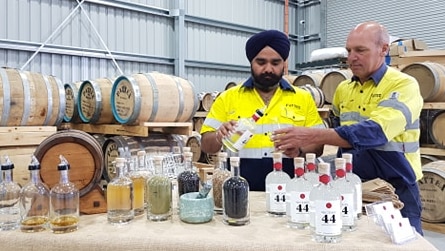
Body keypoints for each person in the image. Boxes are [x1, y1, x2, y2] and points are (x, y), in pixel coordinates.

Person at [273, 21, 424, 235]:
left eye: (360, 50)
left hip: (398, 186)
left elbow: (375, 132)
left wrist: (308, 134)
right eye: (349, 51)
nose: (352, 57)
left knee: (404, 244)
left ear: (383, 49)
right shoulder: (343, 89)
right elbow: (335, 135)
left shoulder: (403, 85)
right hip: (352, 185)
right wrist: (300, 150)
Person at [199, 29, 325, 191]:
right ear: (251, 62)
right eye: (261, 62)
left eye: (275, 63)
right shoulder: (228, 98)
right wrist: (218, 135)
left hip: (290, 191)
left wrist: (299, 149)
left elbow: (318, 146)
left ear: (284, 63)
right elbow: (206, 146)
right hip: (240, 191)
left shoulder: (303, 98)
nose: (268, 69)